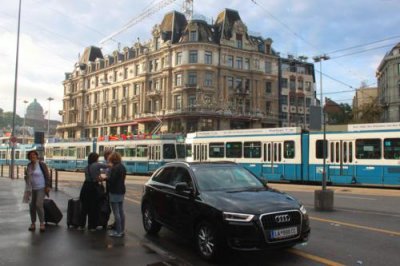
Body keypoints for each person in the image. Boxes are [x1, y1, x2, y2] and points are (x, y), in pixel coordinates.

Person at [79, 152, 107, 231]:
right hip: (93, 188)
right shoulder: (97, 165)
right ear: (95, 159)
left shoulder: (86, 167)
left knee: (84, 207)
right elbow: (108, 166)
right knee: (93, 208)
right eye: (97, 158)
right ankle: (91, 226)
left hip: (85, 187)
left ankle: (81, 225)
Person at [24, 150, 51, 232]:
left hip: (41, 188)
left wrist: (47, 186)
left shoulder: (41, 164)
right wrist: (26, 178)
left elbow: (47, 175)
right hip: (31, 189)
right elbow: (27, 176)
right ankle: (33, 223)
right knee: (32, 206)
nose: (32, 157)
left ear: (36, 156)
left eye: (34, 155)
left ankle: (42, 223)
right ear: (29, 157)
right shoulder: (28, 165)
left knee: (38, 205)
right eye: (31, 156)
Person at [101, 152, 126, 237]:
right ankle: (122, 230)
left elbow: (112, 180)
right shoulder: (122, 167)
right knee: (121, 211)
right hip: (121, 190)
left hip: (114, 191)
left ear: (112, 159)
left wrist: (106, 178)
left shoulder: (115, 168)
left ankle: (118, 232)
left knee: (116, 212)